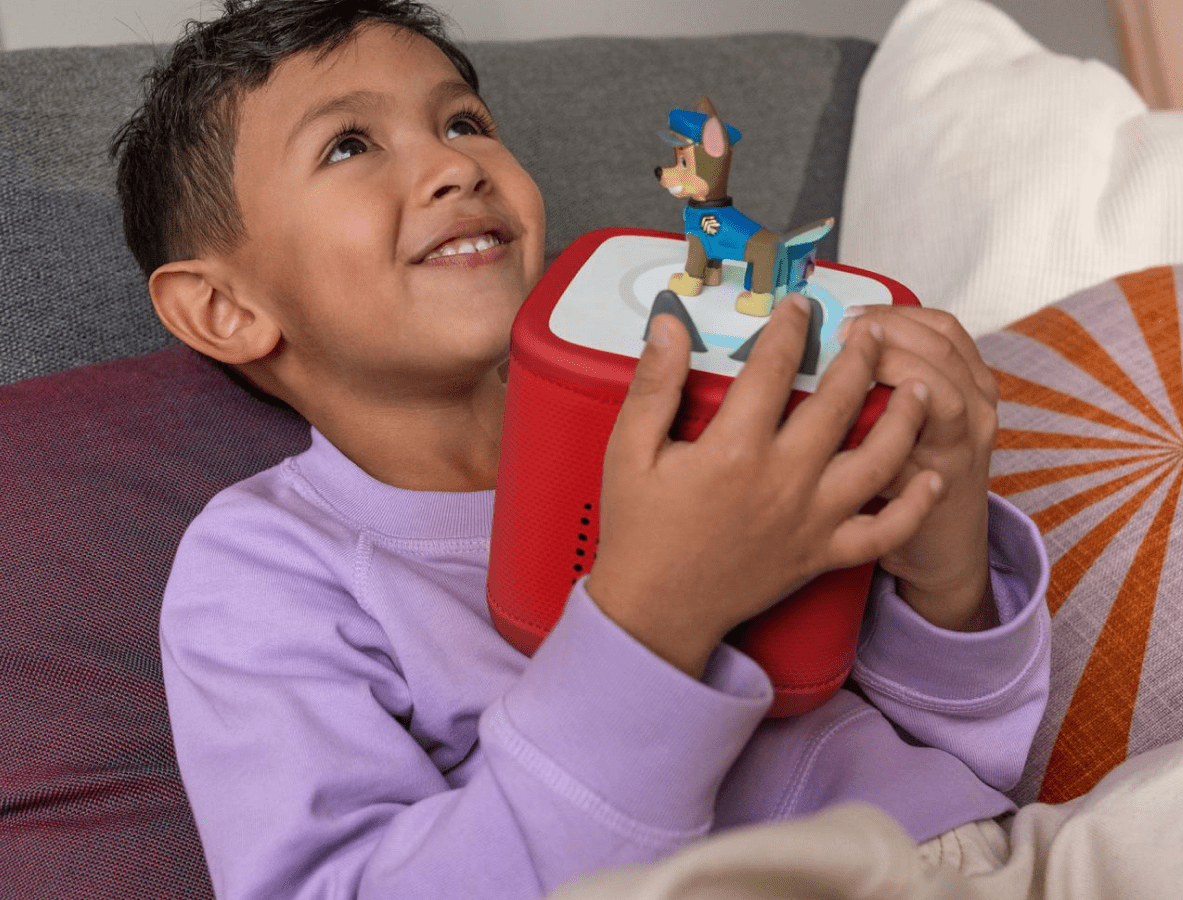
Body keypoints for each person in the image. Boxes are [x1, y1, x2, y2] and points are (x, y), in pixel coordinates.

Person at [110, 1, 1050, 897]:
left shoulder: (689, 402)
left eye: (465, 123)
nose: (456, 165)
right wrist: (655, 617)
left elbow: (973, 755)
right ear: (224, 309)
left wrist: (945, 556)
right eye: (348, 144)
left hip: (993, 851)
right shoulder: (262, 567)